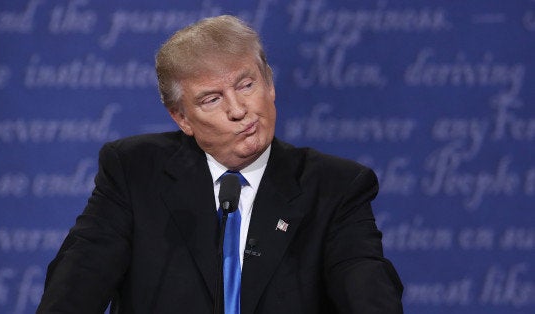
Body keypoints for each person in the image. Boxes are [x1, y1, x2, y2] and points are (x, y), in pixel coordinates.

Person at [37, 15, 403, 314]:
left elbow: (367, 292)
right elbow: (75, 287)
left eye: (246, 85)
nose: (238, 109)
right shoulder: (135, 172)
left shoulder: (335, 186)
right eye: (212, 99)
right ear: (182, 118)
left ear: (269, 84)